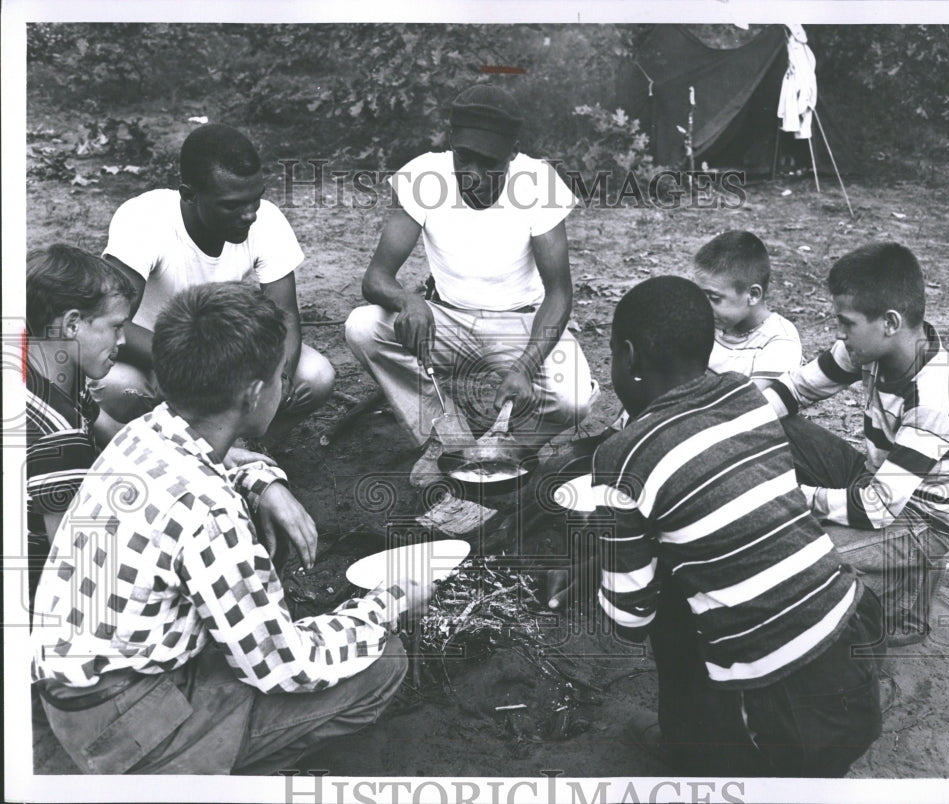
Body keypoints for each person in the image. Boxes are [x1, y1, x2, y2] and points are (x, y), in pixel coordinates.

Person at [31, 283, 433, 775]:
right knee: (383, 663)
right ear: (256, 394)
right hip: (125, 726)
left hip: (72, 688)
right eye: (281, 377)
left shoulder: (145, 431)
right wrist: (386, 603)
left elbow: (220, 460)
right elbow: (285, 666)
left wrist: (264, 480)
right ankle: (205, 772)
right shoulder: (211, 511)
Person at [592, 275, 882, 777]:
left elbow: (628, 619)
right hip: (856, 650)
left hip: (785, 716)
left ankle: (692, 750)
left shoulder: (620, 458)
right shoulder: (747, 397)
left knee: (670, 602)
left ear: (630, 357)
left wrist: (604, 562)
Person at [344, 84, 595, 485]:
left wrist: (526, 366)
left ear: (513, 152)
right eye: (465, 158)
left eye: (489, 162)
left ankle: (509, 447)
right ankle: (446, 437)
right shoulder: (424, 176)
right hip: (447, 321)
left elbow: (560, 294)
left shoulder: (539, 184)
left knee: (575, 398)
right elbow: (376, 278)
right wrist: (408, 300)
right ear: (451, 144)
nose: (473, 175)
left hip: (521, 324)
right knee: (362, 327)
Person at [762, 242, 949, 644]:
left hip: (920, 521)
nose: (840, 334)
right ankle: (871, 569)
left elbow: (878, 507)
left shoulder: (934, 394)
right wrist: (730, 423)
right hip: (877, 479)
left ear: (890, 321)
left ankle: (904, 598)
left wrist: (791, 499)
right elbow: (795, 390)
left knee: (800, 564)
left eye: (847, 323)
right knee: (778, 426)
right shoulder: (870, 349)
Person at [98, 123, 335, 438]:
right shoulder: (145, 219)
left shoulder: (266, 220)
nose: (249, 214)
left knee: (315, 377)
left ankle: (247, 450)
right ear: (189, 195)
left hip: (222, 354)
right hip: (151, 357)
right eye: (232, 205)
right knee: (117, 388)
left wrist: (281, 379)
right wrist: (195, 369)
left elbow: (286, 315)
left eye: (255, 199)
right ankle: (157, 451)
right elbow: (112, 321)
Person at [25, 244, 136, 614]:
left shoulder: (45, 365)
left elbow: (114, 432)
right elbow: (70, 568)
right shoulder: (58, 432)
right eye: (115, 327)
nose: (122, 341)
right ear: (72, 324)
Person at [692, 230, 802, 389]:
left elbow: (753, 405)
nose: (703, 305)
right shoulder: (710, 323)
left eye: (714, 298)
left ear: (753, 295)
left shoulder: (778, 342)